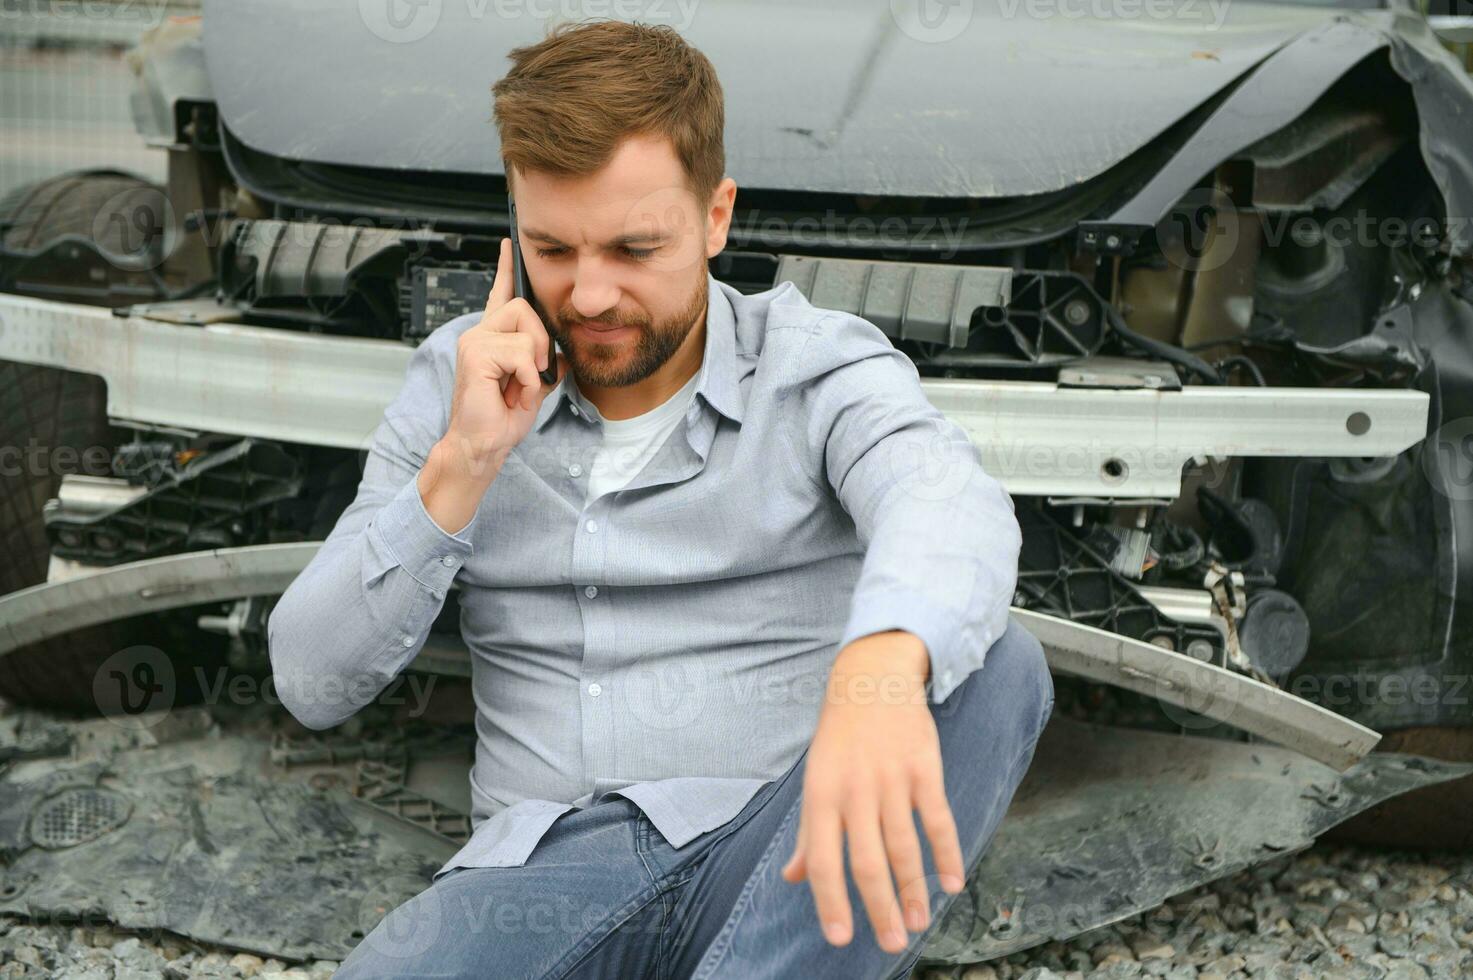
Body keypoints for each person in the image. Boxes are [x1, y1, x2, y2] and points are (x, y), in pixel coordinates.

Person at [268, 18, 1053, 979]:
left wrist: (876, 671)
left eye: (635, 248)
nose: (589, 295)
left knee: (993, 668)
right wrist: (462, 465)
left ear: (716, 217)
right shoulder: (454, 387)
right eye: (551, 248)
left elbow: (946, 502)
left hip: (776, 853)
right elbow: (310, 683)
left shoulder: (811, 367)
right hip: (535, 878)